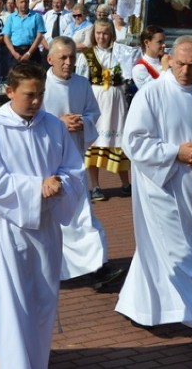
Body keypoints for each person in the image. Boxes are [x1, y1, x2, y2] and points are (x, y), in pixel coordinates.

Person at [114, 35, 192, 359]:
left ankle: (139, 305)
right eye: (180, 63)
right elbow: (133, 141)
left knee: (160, 248)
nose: (185, 70)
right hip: (156, 185)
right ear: (168, 59)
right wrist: (175, 152)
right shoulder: (151, 94)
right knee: (182, 252)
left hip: (186, 186)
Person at [0, 62, 85, 369]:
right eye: (29, 95)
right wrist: (36, 187)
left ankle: (37, 357)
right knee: (13, 300)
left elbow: (73, 167)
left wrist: (61, 183)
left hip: (46, 225)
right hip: (8, 227)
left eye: (41, 94)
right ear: (9, 92)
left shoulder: (53, 126)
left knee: (42, 297)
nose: (36, 102)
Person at [44, 37, 124, 290]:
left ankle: (98, 268)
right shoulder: (41, 85)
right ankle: (57, 268)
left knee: (83, 216)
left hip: (75, 159)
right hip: (48, 164)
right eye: (63, 58)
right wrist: (59, 123)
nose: (68, 63)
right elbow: (31, 118)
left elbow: (93, 112)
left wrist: (83, 122)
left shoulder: (81, 83)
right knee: (55, 221)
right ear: (50, 59)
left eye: (72, 57)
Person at [76, 18, 131, 201]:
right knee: (94, 141)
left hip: (116, 101)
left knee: (118, 140)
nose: (101, 37)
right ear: (93, 34)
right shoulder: (87, 54)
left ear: (112, 34)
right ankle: (95, 186)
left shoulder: (119, 52)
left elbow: (127, 74)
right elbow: (81, 80)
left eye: (105, 33)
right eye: (98, 33)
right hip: (95, 99)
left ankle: (125, 183)